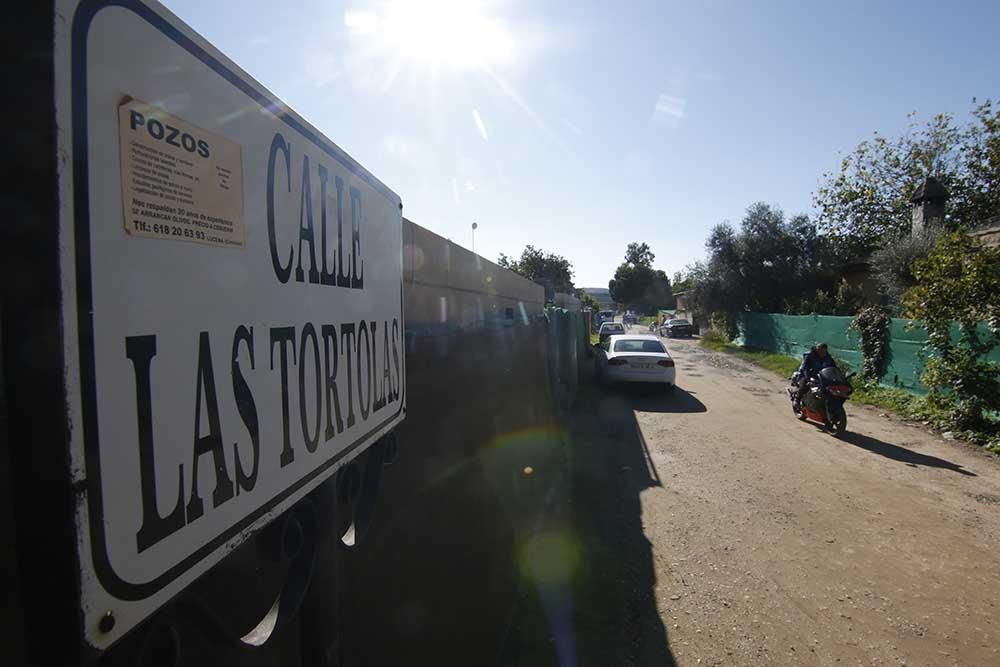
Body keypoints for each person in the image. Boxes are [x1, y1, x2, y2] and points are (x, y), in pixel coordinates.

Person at [794, 343, 836, 407]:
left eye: (823, 351)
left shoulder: (828, 357)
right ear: (817, 349)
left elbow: (834, 368)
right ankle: (797, 401)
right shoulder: (810, 356)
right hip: (809, 374)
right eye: (819, 350)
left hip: (822, 376)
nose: (821, 352)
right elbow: (806, 368)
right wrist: (808, 379)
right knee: (804, 383)